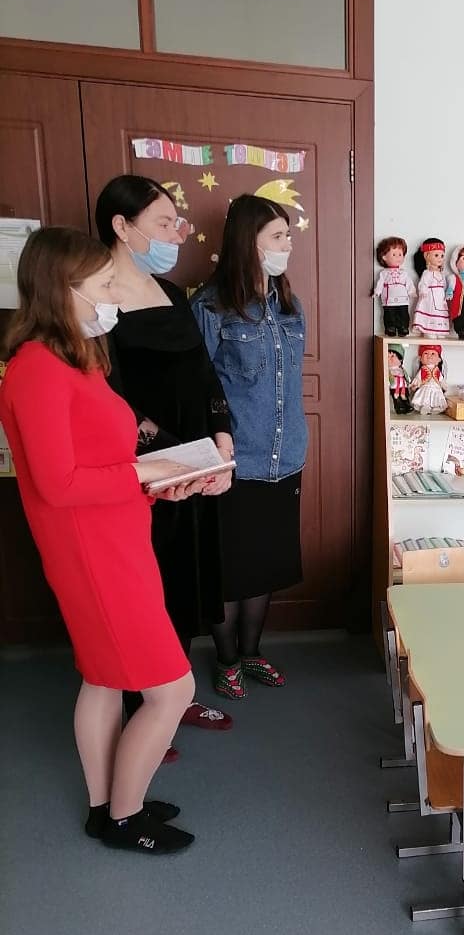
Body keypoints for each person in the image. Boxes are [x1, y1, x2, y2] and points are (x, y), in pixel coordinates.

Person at [0, 227, 201, 853]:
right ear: (63, 289)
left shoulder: (77, 359)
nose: (116, 294)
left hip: (115, 536)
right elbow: (58, 483)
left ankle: (104, 806)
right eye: (105, 284)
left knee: (104, 677)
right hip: (91, 551)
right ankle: (124, 816)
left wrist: (156, 485)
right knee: (174, 689)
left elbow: (101, 462)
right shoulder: (35, 369)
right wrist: (145, 474)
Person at [96, 175, 235, 752]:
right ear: (121, 226)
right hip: (142, 469)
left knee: (183, 578)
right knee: (141, 590)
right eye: (162, 222)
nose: (176, 234)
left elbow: (204, 374)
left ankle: (174, 695)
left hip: (193, 465)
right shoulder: (94, 297)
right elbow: (105, 394)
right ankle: (140, 706)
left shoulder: (172, 294)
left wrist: (221, 435)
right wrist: (165, 448)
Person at [191, 195, 307, 698]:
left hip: (287, 457)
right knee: (230, 569)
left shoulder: (288, 303)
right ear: (248, 242)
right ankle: (227, 659)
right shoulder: (210, 306)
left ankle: (253, 651)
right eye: (277, 236)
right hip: (233, 461)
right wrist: (214, 452)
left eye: (287, 235)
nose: (287, 245)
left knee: (264, 565)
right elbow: (199, 386)